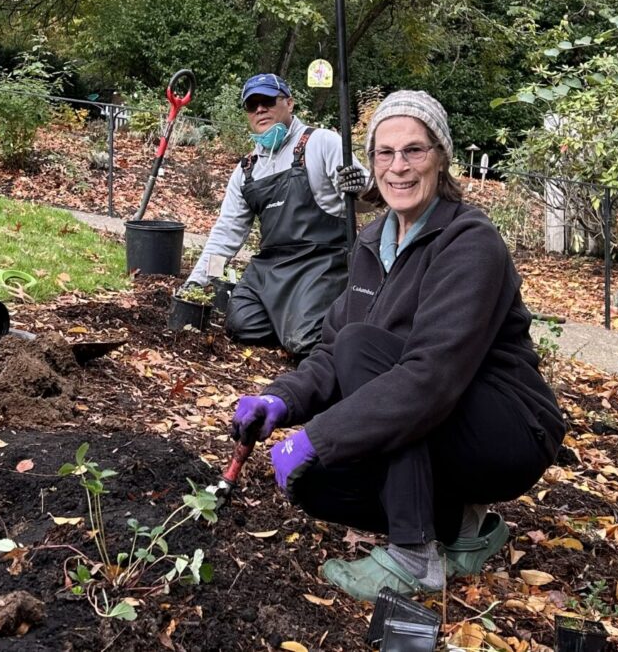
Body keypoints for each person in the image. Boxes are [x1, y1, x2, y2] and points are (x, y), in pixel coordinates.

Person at [230, 90, 566, 601]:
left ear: (441, 157)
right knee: (317, 484)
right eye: (384, 153)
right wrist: (282, 399)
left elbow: (428, 377)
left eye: (414, 150)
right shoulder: (370, 244)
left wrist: (319, 434)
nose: (398, 167)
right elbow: (329, 351)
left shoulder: (470, 241)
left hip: (507, 429)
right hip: (438, 420)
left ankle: (414, 555)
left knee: (365, 352)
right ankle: (463, 527)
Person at [184, 73, 366, 358]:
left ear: (289, 103)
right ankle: (293, 324)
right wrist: (196, 285)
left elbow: (368, 200)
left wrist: (362, 187)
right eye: (251, 104)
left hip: (321, 263)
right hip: (269, 267)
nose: (260, 109)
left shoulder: (322, 143)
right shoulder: (247, 169)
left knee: (305, 342)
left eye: (268, 100)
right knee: (239, 323)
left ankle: (312, 328)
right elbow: (226, 234)